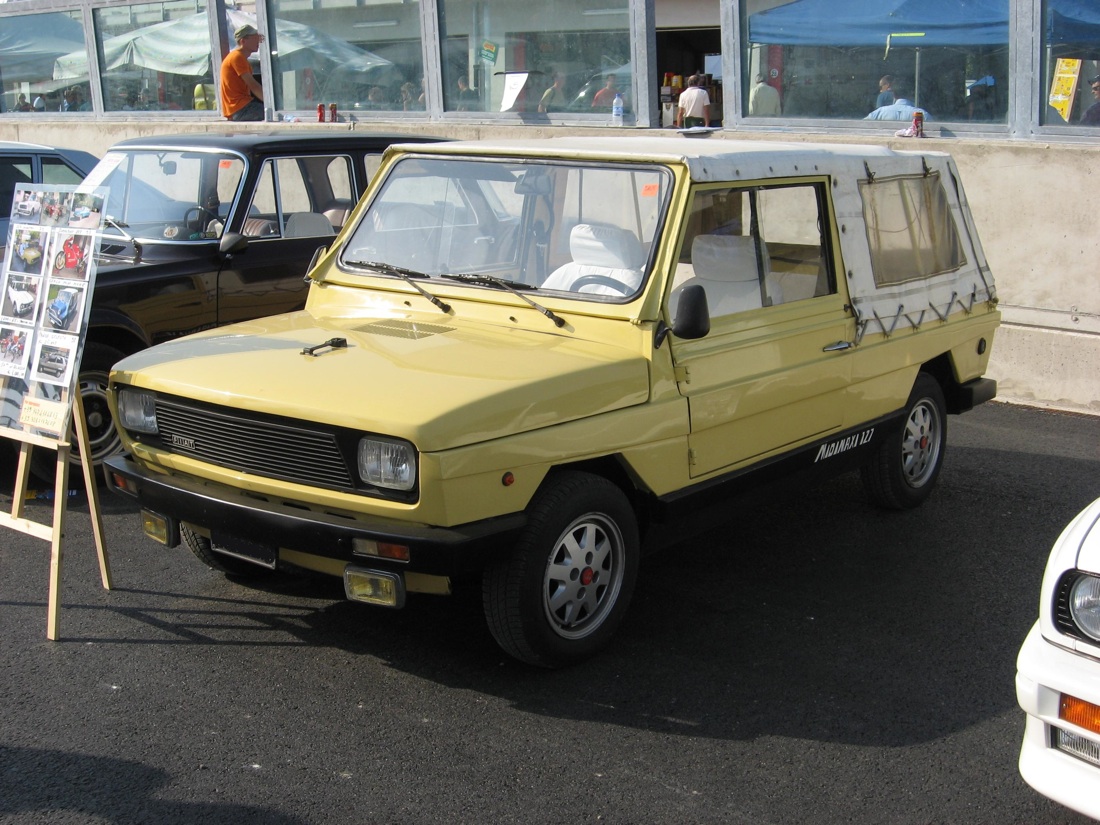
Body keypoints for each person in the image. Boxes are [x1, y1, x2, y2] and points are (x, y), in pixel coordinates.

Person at [220, 24, 265, 122]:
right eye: (254, 38)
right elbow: (253, 86)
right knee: (276, 114)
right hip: (240, 109)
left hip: (240, 108)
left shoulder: (239, 57)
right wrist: (272, 104)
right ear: (243, 41)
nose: (258, 40)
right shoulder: (237, 57)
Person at [864, 82, 929, 121]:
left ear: (894, 95)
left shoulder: (880, 112)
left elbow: (862, 125)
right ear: (910, 95)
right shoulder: (922, 115)